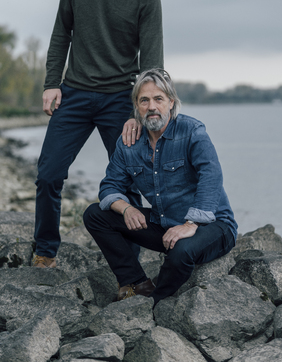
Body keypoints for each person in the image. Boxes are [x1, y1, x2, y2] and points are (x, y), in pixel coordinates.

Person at [33, 0, 163, 268]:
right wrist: (51, 84)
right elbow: (62, 33)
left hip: (120, 101)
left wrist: (142, 113)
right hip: (73, 95)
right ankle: (44, 251)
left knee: (131, 180)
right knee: (48, 175)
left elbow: (152, 67)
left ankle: (129, 264)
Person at [83, 69, 238, 306]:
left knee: (182, 251)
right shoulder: (129, 144)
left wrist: (190, 224)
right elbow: (109, 186)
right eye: (144, 100)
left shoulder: (192, 132)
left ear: (171, 103)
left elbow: (211, 175)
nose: (152, 106)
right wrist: (126, 208)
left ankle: (153, 301)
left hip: (213, 225)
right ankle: (137, 283)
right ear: (136, 106)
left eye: (159, 99)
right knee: (96, 215)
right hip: (163, 224)